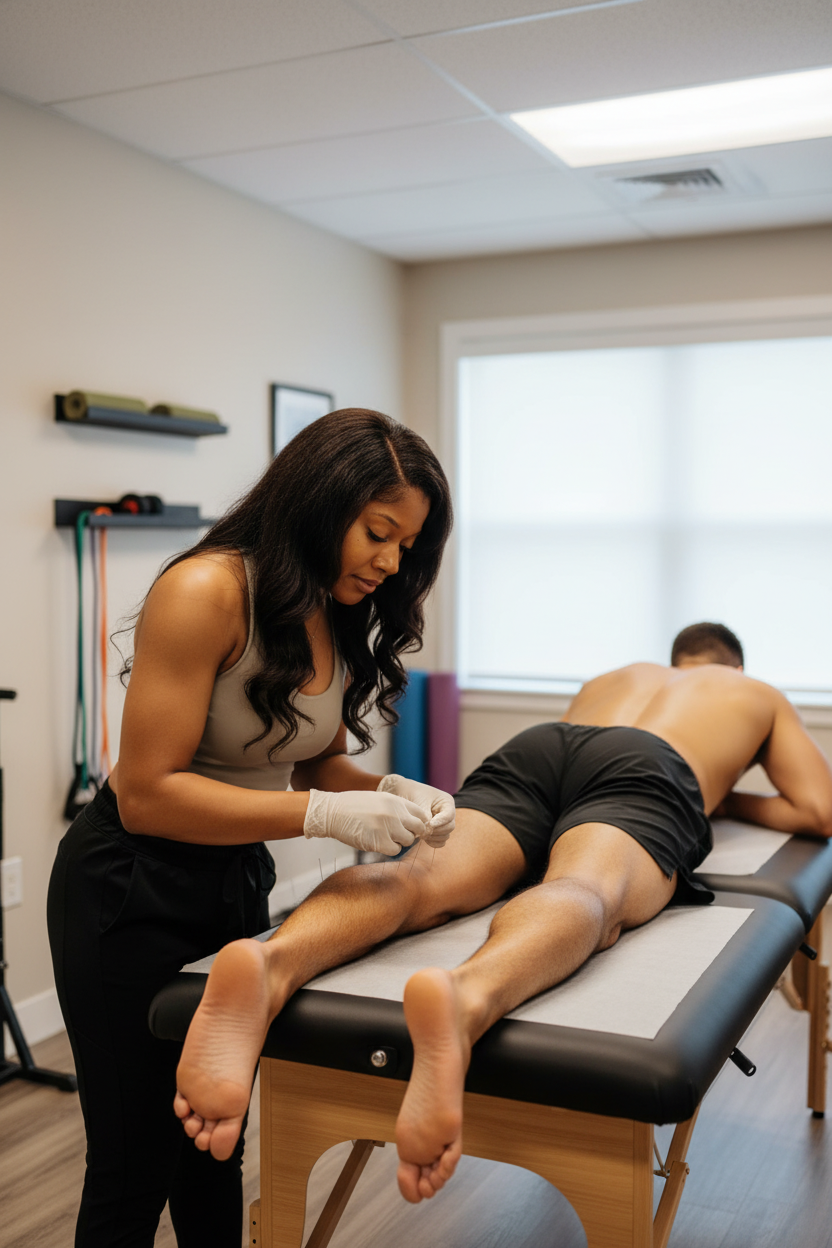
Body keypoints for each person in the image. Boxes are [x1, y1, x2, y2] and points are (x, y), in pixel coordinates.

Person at [173, 622, 832, 1204]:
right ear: (733, 666)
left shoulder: (618, 678)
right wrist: (723, 793)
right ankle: (466, 999)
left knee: (416, 877)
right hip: (653, 766)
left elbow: (572, 789)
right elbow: (819, 810)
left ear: (675, 659)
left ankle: (273, 962)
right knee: (584, 891)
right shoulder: (754, 692)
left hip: (542, 746)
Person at [46, 408, 455, 1248]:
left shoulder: (333, 607)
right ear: (320, 503)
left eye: (406, 546)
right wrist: (323, 814)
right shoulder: (205, 591)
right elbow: (149, 794)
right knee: (134, 1161)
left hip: (231, 884)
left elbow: (314, 764)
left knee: (214, 1146)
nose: (390, 562)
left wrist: (391, 791)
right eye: (379, 533)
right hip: (128, 886)